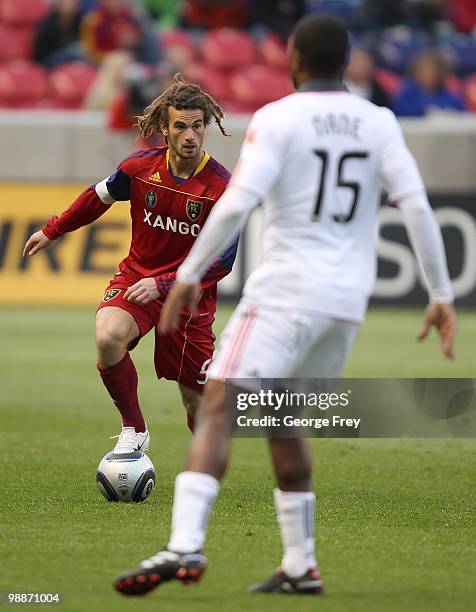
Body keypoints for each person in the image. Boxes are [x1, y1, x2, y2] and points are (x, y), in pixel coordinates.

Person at [114, 14, 456, 596]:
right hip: (345, 304)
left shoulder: (278, 117)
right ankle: (301, 565)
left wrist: (191, 273)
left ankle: (183, 546)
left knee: (220, 402)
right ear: (346, 62)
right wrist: (441, 293)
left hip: (284, 293)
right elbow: (417, 206)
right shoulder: (379, 122)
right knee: (282, 417)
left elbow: (238, 201)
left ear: (296, 58)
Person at [23, 74, 238, 455]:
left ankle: (203, 477)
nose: (191, 135)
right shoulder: (139, 168)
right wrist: (53, 230)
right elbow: (97, 197)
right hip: (136, 278)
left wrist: (167, 284)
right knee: (107, 337)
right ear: (164, 129)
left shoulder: (222, 188)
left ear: (207, 126)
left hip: (188, 298)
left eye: (198, 126)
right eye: (181, 126)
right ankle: (134, 429)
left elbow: (222, 261)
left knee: (196, 403)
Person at [392, 50, 466, 117]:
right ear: (415, 72)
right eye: (424, 70)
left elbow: (462, 114)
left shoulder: (449, 96)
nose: (429, 74)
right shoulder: (405, 96)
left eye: (433, 70)